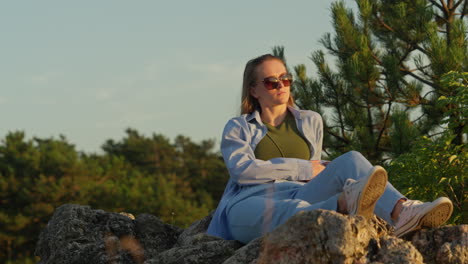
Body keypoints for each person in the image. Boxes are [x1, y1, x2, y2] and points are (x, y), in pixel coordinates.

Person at [206, 54, 453, 244]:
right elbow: (242, 170)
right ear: (253, 90)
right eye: (271, 82)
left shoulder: (310, 120)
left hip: (299, 193)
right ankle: (343, 205)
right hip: (251, 200)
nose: (281, 85)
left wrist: (313, 173)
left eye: (285, 79)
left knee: (351, 160)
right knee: (290, 211)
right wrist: (302, 168)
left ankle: (403, 212)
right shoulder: (239, 126)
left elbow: (315, 174)